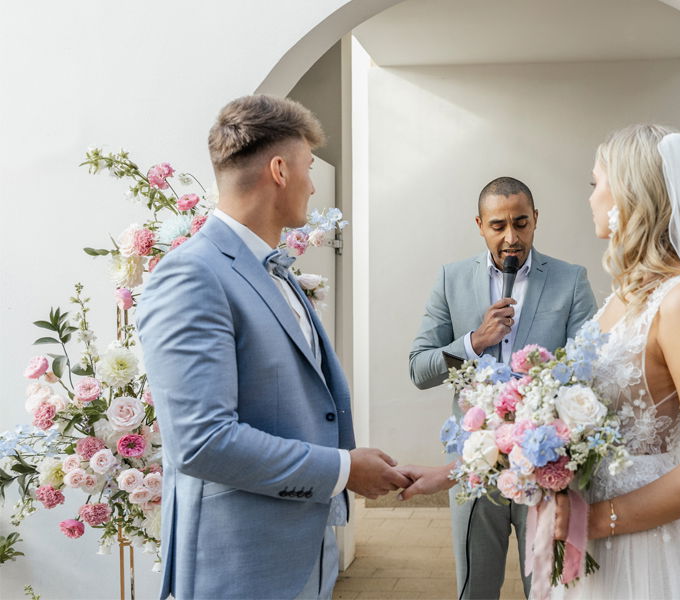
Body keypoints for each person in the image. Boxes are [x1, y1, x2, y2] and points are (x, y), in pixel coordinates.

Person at [138, 94, 410, 600]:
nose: (312, 185)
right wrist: (345, 469)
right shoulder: (192, 275)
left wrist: (349, 460)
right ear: (280, 170)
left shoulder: (274, 268)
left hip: (302, 553)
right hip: (241, 563)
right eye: (309, 168)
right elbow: (202, 442)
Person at [551, 124, 680, 599]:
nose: (590, 197)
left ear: (628, 193)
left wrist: (597, 522)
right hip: (591, 542)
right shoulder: (618, 299)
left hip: (647, 546)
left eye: (595, 182)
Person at [405, 177, 597, 599]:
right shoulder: (450, 280)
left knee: (550, 591)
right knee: (475, 590)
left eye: (521, 223)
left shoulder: (571, 280)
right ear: (479, 225)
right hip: (475, 471)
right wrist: (474, 342)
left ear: (535, 220)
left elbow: (592, 372)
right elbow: (419, 369)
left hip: (548, 470)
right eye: (498, 226)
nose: (511, 237)